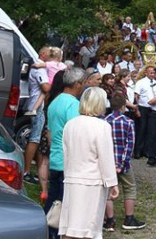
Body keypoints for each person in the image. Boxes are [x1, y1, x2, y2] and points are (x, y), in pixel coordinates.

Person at [58, 87, 120, 239]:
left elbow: (66, 154)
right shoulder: (102, 126)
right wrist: (112, 182)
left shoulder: (70, 125)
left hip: (72, 179)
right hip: (92, 182)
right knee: (89, 228)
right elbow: (105, 157)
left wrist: (68, 174)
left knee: (70, 227)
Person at [46, 67, 87, 239]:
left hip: (55, 158)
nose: (84, 87)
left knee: (54, 202)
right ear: (77, 84)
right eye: (83, 83)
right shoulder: (73, 104)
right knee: (66, 205)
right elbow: (76, 133)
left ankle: (47, 232)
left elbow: (49, 133)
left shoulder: (54, 102)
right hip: (68, 161)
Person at [104, 92, 146, 231]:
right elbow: (130, 145)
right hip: (124, 163)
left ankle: (109, 221)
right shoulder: (128, 122)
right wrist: (121, 164)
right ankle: (129, 218)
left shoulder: (105, 121)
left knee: (107, 190)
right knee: (129, 188)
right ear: (123, 107)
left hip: (108, 162)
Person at [23, 47, 50, 184]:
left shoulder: (41, 67)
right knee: (34, 139)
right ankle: (26, 171)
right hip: (36, 106)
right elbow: (45, 87)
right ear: (43, 54)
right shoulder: (40, 69)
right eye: (49, 54)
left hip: (37, 105)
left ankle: (37, 171)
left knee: (38, 139)